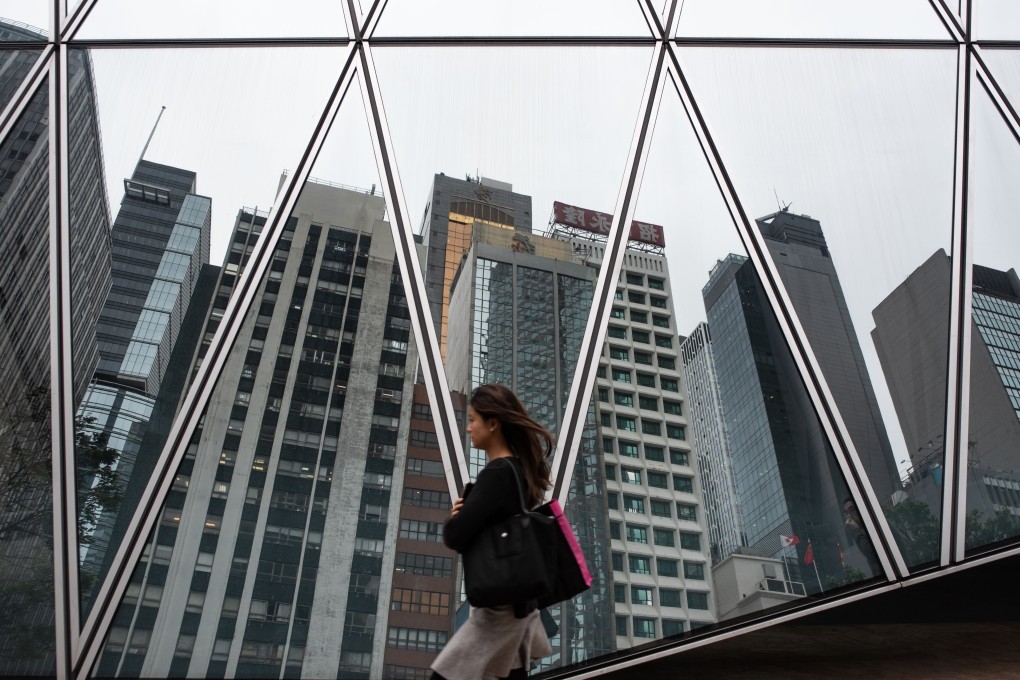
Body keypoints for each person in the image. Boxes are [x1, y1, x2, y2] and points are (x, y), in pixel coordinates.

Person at [430, 384, 553, 680]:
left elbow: (455, 536)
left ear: (493, 423)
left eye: (473, 419)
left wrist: (457, 516)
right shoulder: (521, 472)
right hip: (519, 608)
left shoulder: (497, 474)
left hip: (499, 614)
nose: (469, 427)